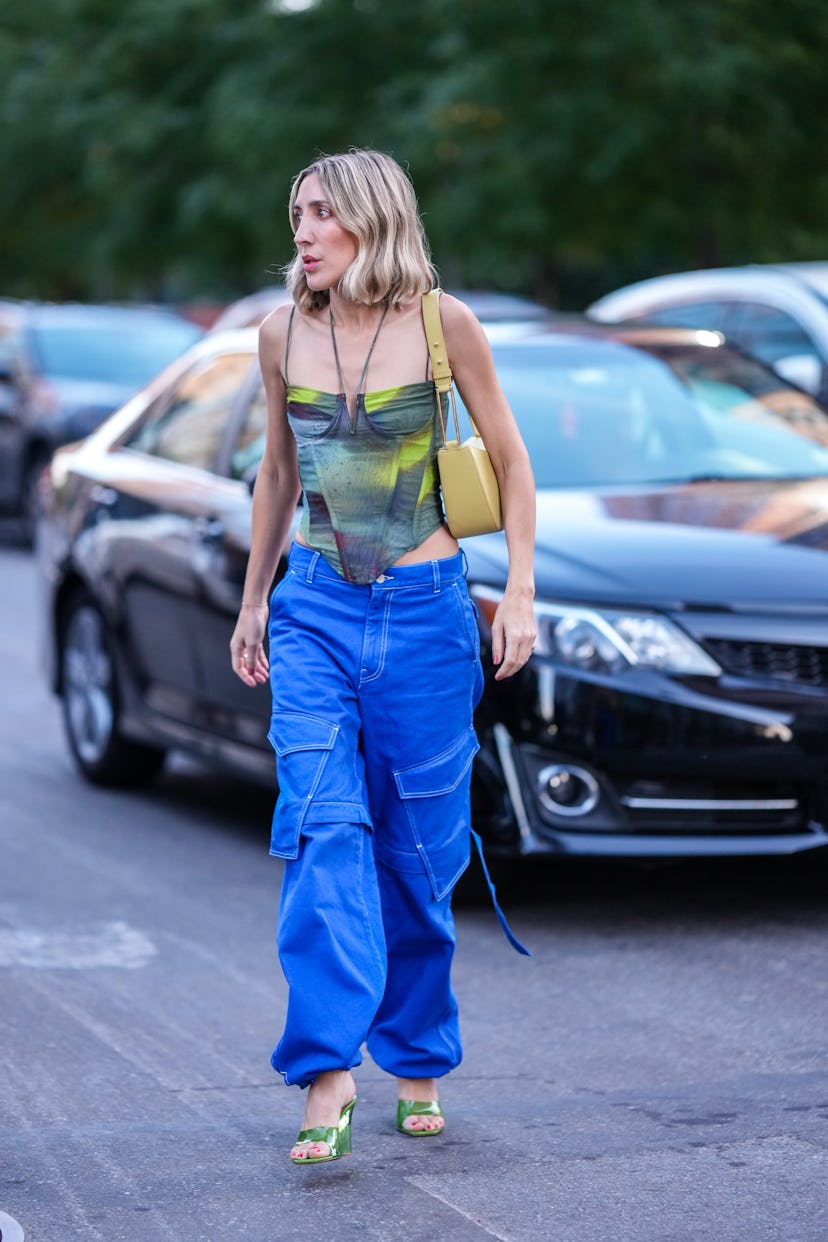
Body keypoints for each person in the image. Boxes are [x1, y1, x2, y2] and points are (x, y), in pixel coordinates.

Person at [229, 149, 536, 1165]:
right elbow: (278, 471)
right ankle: (326, 1070)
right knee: (322, 827)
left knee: (416, 852)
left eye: (321, 214)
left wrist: (520, 591)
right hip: (314, 603)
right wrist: (254, 601)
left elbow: (512, 462)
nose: (302, 232)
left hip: (425, 611)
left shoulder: (446, 326)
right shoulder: (281, 332)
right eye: (295, 215)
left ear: (371, 218)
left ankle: (418, 1052)